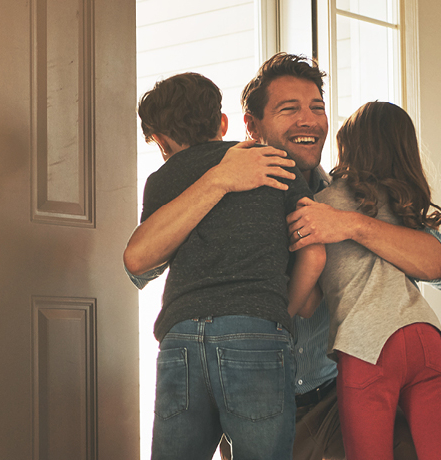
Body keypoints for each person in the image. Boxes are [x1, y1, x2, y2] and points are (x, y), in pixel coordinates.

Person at [126, 53, 441, 460]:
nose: (309, 120)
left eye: (317, 108)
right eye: (289, 109)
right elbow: (140, 264)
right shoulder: (217, 182)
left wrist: (349, 225)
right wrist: (220, 180)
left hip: (337, 402)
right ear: (251, 126)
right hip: (262, 403)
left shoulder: (355, 194)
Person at [126, 71, 327, 460]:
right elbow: (315, 253)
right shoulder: (274, 161)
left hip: (180, 337)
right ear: (223, 123)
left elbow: (141, 258)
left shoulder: (161, 179)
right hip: (256, 334)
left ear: (161, 141)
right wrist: (276, 313)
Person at [312, 101, 441, 459]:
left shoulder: (322, 203)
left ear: (350, 146)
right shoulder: (405, 206)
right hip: (427, 336)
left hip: (367, 345)